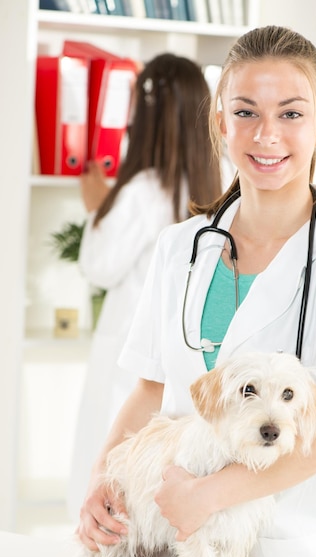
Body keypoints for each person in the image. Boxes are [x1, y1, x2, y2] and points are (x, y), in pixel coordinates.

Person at [76, 26, 316, 557]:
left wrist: (205, 496)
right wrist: (102, 482)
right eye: (246, 112)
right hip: (176, 555)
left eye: (292, 114)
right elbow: (148, 390)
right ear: (221, 123)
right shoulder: (180, 247)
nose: (267, 135)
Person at [67, 53, 223, 521]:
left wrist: (97, 207)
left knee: (107, 476)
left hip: (129, 362)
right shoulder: (219, 187)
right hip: (182, 367)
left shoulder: (141, 192)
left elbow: (98, 267)